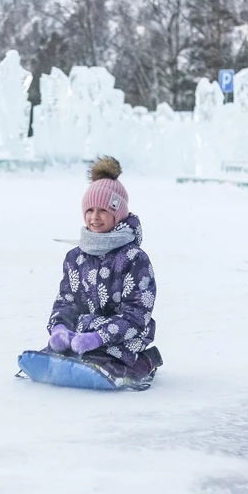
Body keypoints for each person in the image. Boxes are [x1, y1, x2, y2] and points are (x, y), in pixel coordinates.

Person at [46, 157, 162, 382]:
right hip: (81, 333)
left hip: (125, 336)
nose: (94, 217)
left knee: (108, 361)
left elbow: (137, 314)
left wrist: (98, 338)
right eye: (89, 210)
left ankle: (146, 361)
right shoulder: (75, 257)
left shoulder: (135, 259)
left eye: (103, 210)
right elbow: (66, 301)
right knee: (62, 353)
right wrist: (60, 329)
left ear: (117, 215)